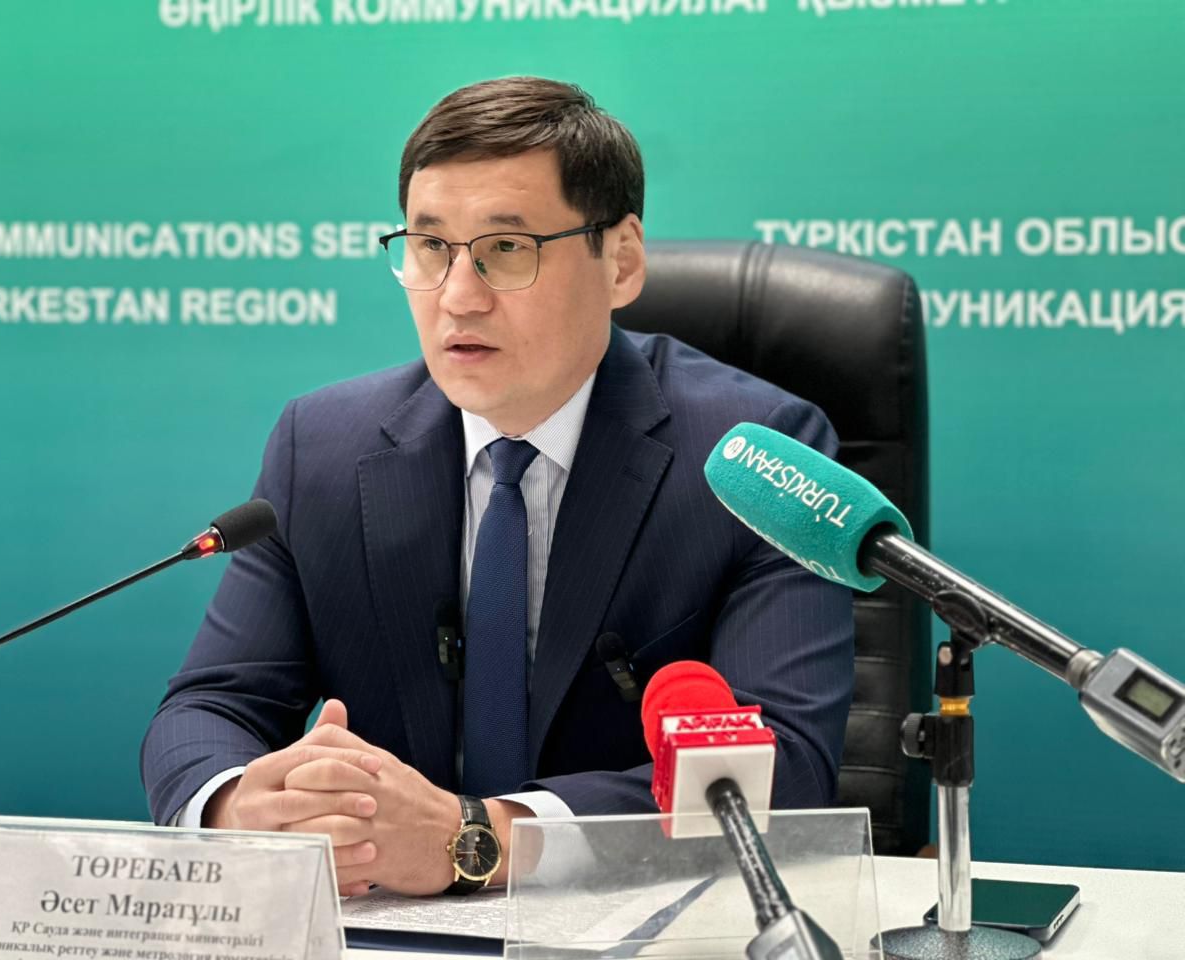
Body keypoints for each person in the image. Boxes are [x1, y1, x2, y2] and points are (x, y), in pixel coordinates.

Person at [141, 76, 854, 899]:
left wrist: (479, 837)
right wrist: (241, 807)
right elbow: (210, 707)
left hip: (646, 922)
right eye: (429, 247)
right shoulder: (322, 449)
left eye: (507, 249)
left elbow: (784, 767)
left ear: (621, 261)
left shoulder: (755, 460)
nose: (458, 296)